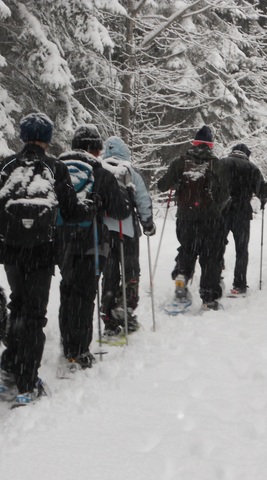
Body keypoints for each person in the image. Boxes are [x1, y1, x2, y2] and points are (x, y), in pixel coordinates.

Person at [0, 112, 92, 407]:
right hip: (43, 251)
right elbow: (71, 211)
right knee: (34, 315)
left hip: (12, 252)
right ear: (48, 138)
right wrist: (90, 207)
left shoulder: (5, 167)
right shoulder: (54, 167)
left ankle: (8, 371)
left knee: (17, 306)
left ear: (23, 135)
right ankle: (28, 384)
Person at [57, 125, 130, 368]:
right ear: (95, 149)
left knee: (67, 291)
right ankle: (79, 351)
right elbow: (121, 211)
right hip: (92, 243)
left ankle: (67, 346)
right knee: (85, 296)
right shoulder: (102, 174)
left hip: (60, 242)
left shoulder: (56, 168)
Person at [156, 125, 230, 310]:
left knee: (187, 249)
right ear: (210, 145)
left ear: (194, 143)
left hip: (185, 218)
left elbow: (162, 185)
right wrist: (216, 208)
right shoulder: (216, 164)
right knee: (209, 257)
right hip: (210, 219)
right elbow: (226, 194)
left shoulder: (180, 161)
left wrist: (177, 181)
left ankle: (182, 275)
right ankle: (208, 298)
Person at [99, 136, 155, 336]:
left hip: (104, 233)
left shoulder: (99, 169)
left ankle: (109, 320)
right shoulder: (130, 172)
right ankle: (125, 309)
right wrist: (148, 224)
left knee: (110, 274)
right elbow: (142, 200)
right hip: (128, 232)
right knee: (131, 272)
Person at [219, 143, 267, 295]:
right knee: (241, 249)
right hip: (242, 213)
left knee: (217, 245)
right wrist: (263, 200)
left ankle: (215, 278)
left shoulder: (221, 163)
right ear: (247, 154)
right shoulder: (252, 168)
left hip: (222, 212)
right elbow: (263, 193)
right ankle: (239, 284)